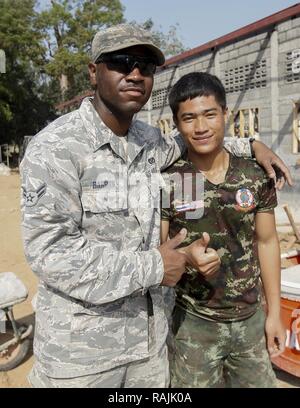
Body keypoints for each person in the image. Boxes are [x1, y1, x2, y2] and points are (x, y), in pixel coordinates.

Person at [20, 24, 290, 388]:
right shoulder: (55, 148)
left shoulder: (150, 143)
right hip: (83, 359)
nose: (135, 74)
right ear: (93, 71)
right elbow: (50, 252)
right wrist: (155, 266)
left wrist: (253, 145)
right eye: (121, 62)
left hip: (149, 352)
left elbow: (201, 137)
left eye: (146, 67)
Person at [161, 72, 286, 388]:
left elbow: (268, 242)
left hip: (250, 321)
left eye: (209, 115)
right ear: (177, 124)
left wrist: (274, 314)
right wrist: (186, 258)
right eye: (188, 118)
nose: (200, 127)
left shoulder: (255, 175)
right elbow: (159, 250)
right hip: (192, 326)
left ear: (226, 115)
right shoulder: (169, 180)